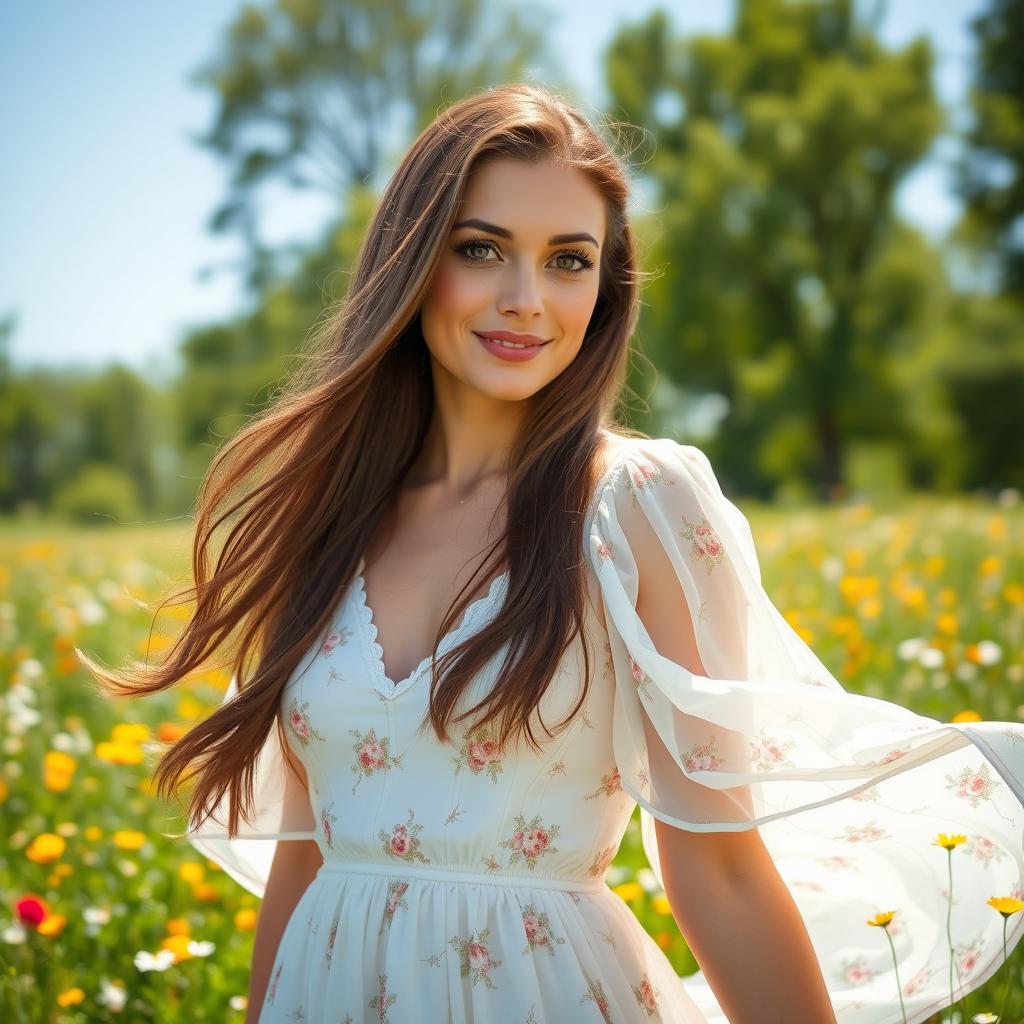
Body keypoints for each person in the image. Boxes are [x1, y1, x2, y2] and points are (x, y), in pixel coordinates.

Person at [84, 83, 1024, 1024]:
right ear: (412, 261)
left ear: (603, 288)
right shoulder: (331, 515)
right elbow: (306, 852)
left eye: (568, 261)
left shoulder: (633, 507)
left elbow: (721, 866)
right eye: (481, 249)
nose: (525, 301)